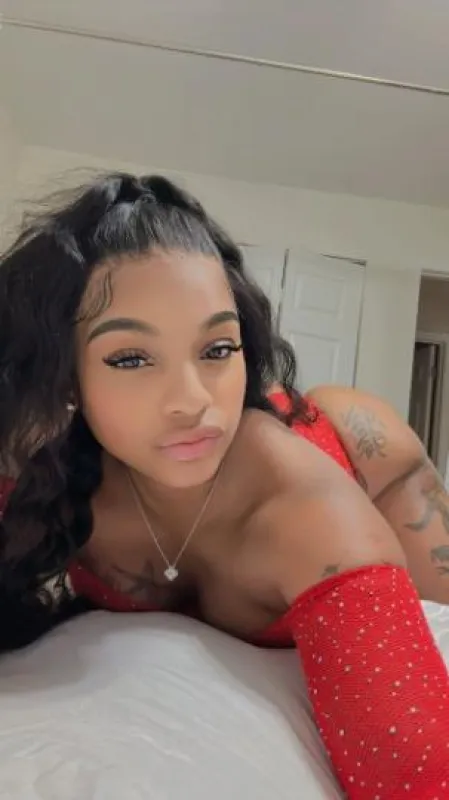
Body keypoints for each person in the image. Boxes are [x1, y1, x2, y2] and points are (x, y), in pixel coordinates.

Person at [0, 172, 448, 798]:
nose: (192, 402)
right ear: (65, 375)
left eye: (217, 348)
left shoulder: (314, 517)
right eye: (130, 358)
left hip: (362, 449)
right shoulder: (47, 467)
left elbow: (420, 775)